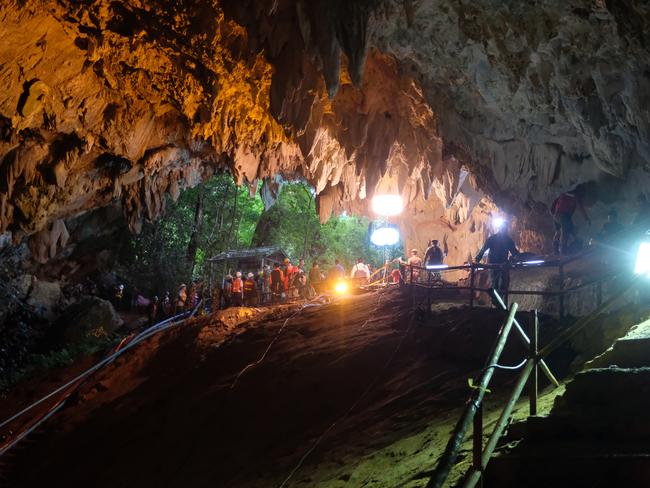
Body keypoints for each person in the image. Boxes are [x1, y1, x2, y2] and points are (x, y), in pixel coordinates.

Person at [475, 224, 519, 292]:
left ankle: (499, 299)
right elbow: (483, 249)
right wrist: (477, 259)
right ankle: (496, 300)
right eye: (504, 228)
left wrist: (518, 258)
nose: (505, 230)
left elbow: (514, 251)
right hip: (494, 264)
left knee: (502, 282)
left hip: (501, 264)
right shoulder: (495, 239)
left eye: (505, 229)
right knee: (495, 282)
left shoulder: (506, 240)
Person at [551, 187, 590, 255]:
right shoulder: (575, 197)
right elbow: (580, 208)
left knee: (558, 232)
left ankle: (555, 250)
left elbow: (555, 204)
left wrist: (554, 215)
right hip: (564, 216)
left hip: (556, 215)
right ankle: (564, 251)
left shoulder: (565, 194)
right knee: (565, 233)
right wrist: (586, 218)